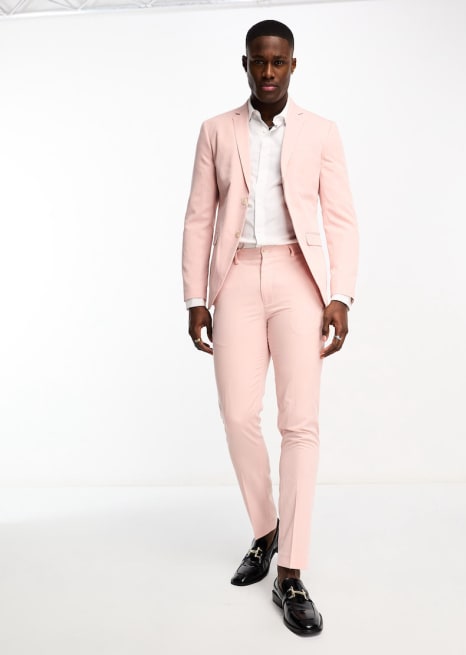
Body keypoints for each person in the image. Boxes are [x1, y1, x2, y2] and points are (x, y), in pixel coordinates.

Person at [182, 19, 358, 636]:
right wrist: (195, 297)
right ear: (245, 64)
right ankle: (265, 528)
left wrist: (339, 295)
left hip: (298, 279)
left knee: (299, 423)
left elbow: (341, 219)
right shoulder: (216, 130)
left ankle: (291, 572)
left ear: (292, 65)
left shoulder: (321, 132)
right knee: (237, 413)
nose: (268, 71)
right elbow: (199, 218)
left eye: (278, 61)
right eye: (259, 61)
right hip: (235, 277)